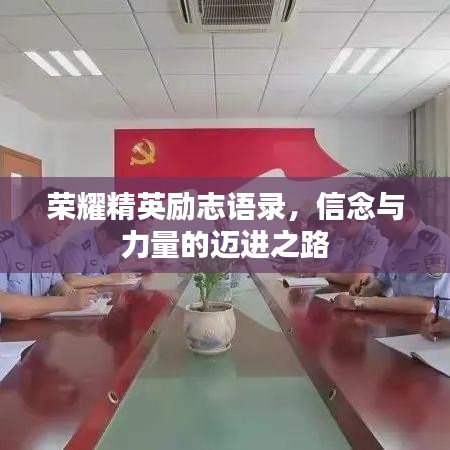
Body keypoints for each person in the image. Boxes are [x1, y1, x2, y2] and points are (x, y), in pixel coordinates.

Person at [335, 179, 450, 316]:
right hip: (403, 321)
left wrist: (358, 302)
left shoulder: (435, 244)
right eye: (376, 220)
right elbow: (383, 282)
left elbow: (426, 304)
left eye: (383, 220)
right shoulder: (395, 245)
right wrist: (363, 291)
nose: (378, 226)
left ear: (407, 215)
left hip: (436, 325)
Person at [0, 187, 95, 321]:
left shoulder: (45, 246)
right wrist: (65, 303)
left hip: (38, 328)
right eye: (59, 223)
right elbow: (3, 303)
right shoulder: (4, 243)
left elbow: (56, 282)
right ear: (37, 211)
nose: (60, 233)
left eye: (64, 227)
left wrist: (69, 293)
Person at [320, 199, 388, 290]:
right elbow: (336, 266)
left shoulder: (375, 237)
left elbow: (360, 278)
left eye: (335, 225)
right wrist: (313, 272)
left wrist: (325, 276)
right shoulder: (350, 237)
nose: (335, 230)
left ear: (348, 222)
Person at [58, 217, 137, 288]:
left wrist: (123, 275)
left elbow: (109, 269)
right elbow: (72, 280)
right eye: (114, 246)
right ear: (102, 235)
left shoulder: (104, 243)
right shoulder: (77, 246)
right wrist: (108, 278)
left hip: (96, 293)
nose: (113, 251)